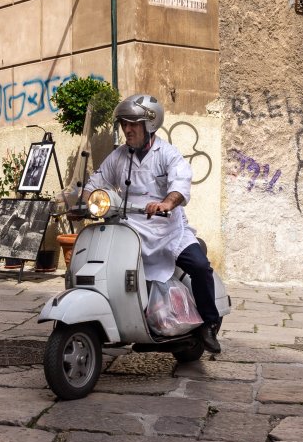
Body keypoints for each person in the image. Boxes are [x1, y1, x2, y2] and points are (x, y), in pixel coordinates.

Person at [83, 94, 222, 353]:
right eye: (124, 123)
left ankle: (210, 324)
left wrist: (167, 203)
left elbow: (180, 184)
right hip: (131, 230)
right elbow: (96, 182)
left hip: (168, 231)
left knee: (201, 266)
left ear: (150, 124)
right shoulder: (119, 156)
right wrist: (80, 200)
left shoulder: (167, 154)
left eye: (133, 123)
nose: (127, 129)